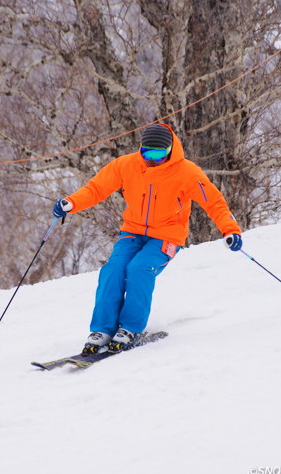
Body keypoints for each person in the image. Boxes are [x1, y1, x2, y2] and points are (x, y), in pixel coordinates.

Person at [52, 123, 242, 353]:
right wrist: (71, 203)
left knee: (139, 269)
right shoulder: (126, 165)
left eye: (158, 154)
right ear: (140, 148)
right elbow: (96, 189)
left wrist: (230, 230)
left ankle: (131, 328)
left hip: (167, 236)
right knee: (113, 270)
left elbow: (214, 202)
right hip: (132, 232)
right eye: (146, 153)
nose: (151, 159)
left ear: (170, 150)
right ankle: (102, 329)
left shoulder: (187, 172)